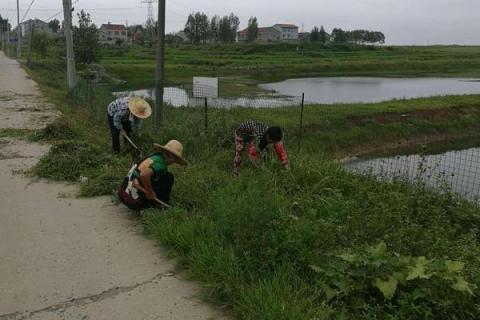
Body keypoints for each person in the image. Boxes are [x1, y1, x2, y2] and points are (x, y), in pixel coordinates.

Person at [117, 140, 187, 211]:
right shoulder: (160, 164)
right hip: (134, 202)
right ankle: (160, 205)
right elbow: (144, 175)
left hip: (123, 194)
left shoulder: (153, 158)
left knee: (162, 176)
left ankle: (156, 201)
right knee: (168, 178)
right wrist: (150, 192)